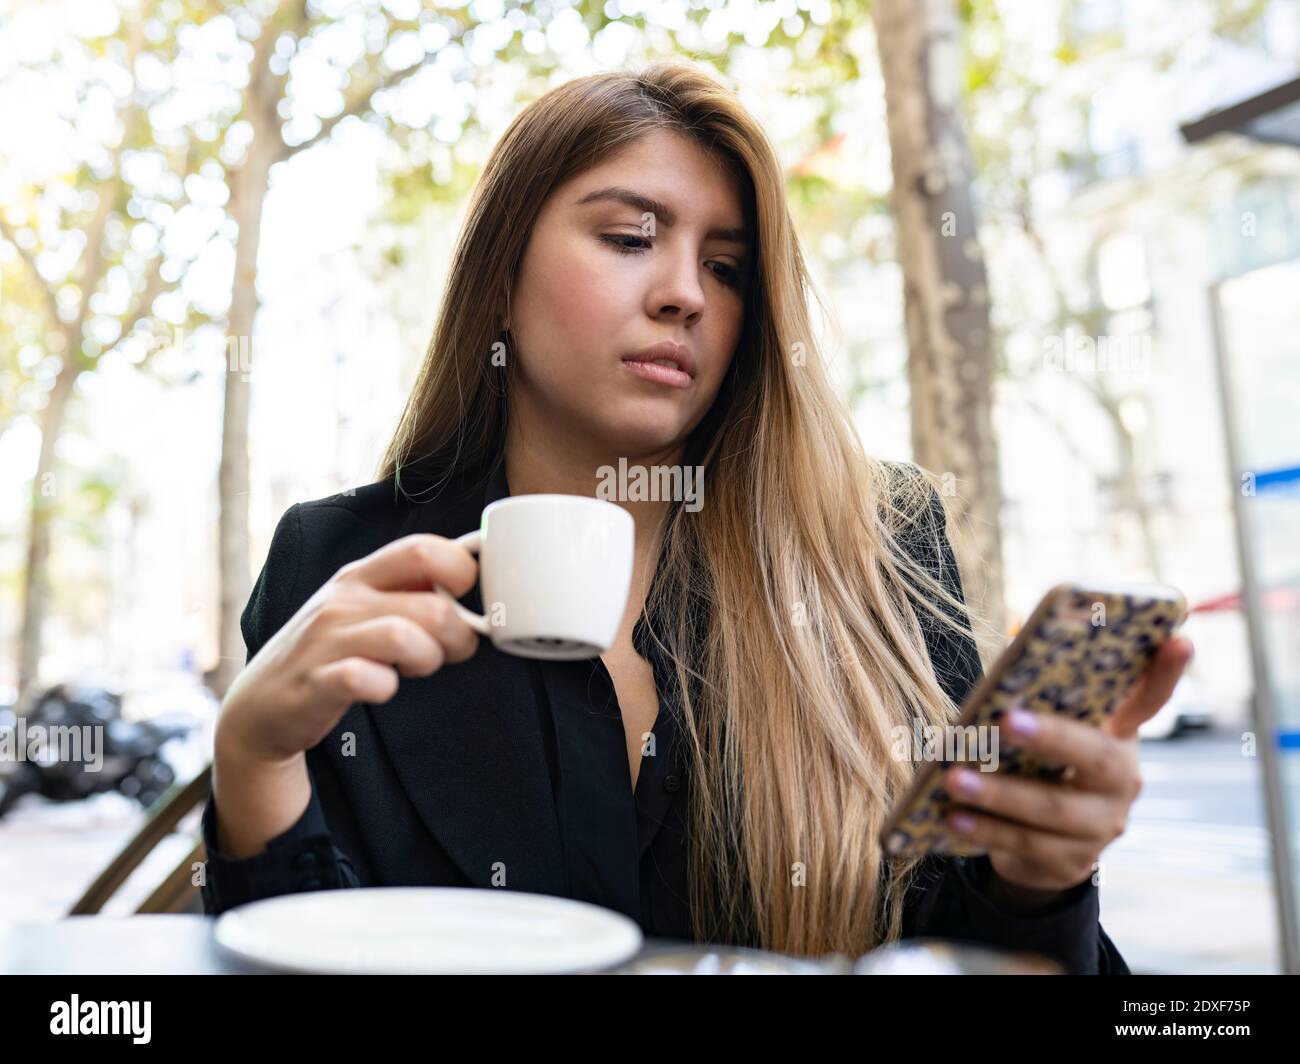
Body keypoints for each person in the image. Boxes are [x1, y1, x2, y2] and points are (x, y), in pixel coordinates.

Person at [200, 61, 1192, 974]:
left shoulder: (873, 548)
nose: (684, 294)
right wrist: (252, 762)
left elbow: (964, 947)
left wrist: (1035, 876)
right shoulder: (338, 563)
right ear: (499, 279)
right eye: (630, 238)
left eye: (726, 267)